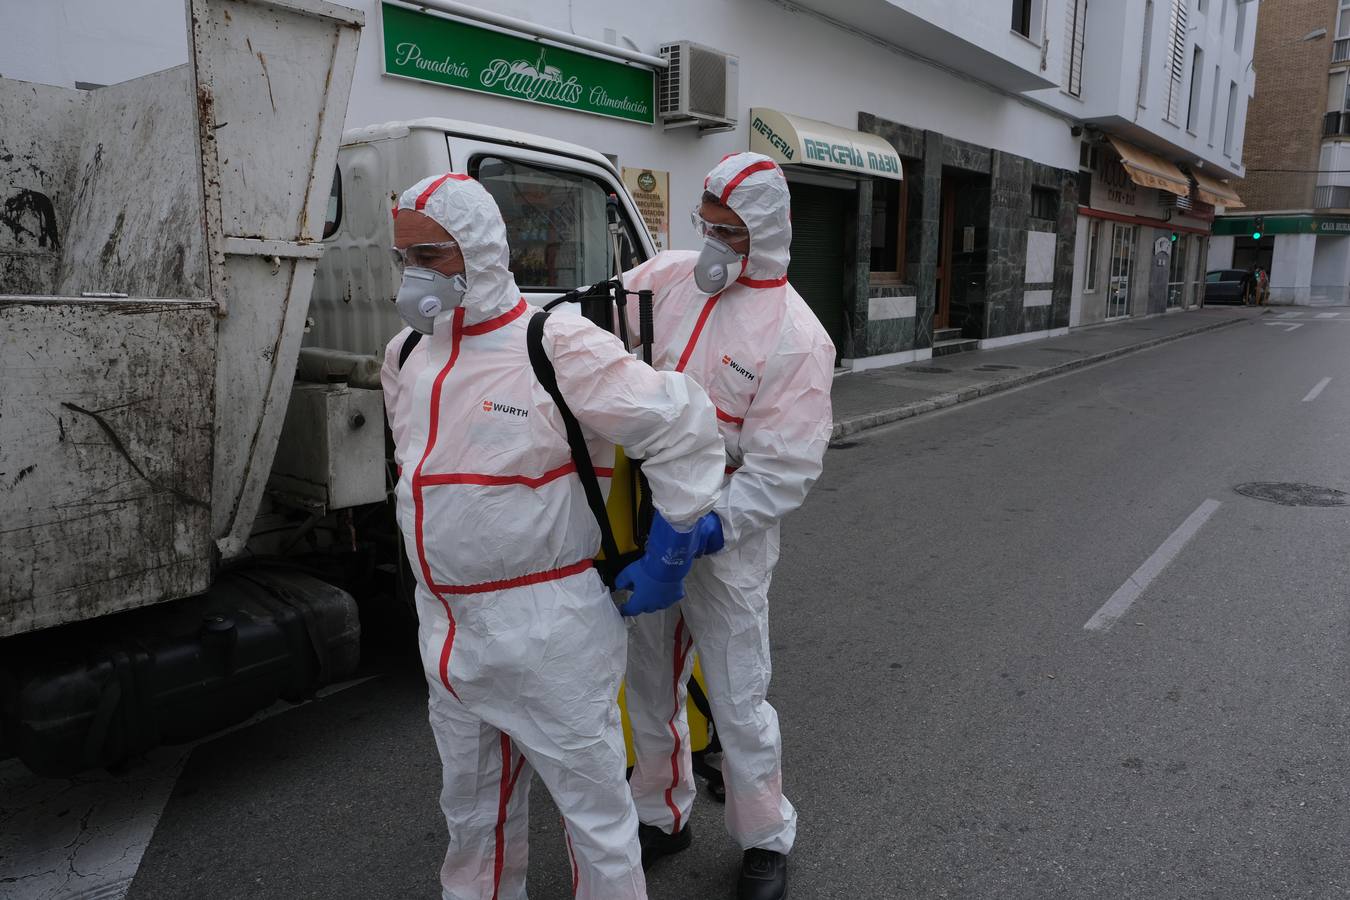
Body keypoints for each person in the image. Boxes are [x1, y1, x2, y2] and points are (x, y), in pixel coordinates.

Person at [380, 172, 727, 900]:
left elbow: (682, 423)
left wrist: (670, 548)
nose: (415, 275)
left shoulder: (554, 342)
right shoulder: (407, 356)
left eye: (431, 256)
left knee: (596, 820)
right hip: (447, 632)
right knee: (473, 816)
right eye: (402, 257)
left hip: (549, 632)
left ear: (478, 249)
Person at [620, 152, 835, 900]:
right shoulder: (669, 278)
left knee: (740, 700)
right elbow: (597, 333)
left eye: (728, 232)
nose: (710, 244)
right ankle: (662, 811)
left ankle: (765, 838)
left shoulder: (797, 339)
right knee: (649, 684)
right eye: (705, 225)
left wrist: (709, 529)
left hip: (726, 545)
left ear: (767, 233)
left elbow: (785, 468)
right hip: (651, 522)